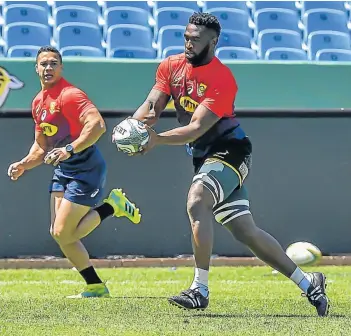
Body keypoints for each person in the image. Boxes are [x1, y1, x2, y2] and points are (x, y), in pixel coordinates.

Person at [127, 13, 329, 316]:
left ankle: (200, 289)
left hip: (230, 150)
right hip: (204, 156)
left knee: (197, 200)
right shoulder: (170, 66)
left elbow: (196, 128)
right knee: (246, 232)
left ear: (213, 41)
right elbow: (152, 108)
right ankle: (309, 282)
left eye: (196, 39)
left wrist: (154, 140)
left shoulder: (221, 78)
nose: (189, 43)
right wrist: (132, 126)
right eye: (186, 36)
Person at [7, 46, 141, 299]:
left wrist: (69, 148)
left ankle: (112, 206)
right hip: (64, 170)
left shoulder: (70, 95)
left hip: (85, 169)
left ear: (61, 67)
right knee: (60, 235)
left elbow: (97, 125)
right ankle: (95, 286)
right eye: (43, 64)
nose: (48, 68)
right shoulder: (38, 102)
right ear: (36, 68)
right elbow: (42, 146)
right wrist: (24, 163)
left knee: (62, 232)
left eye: (53, 63)